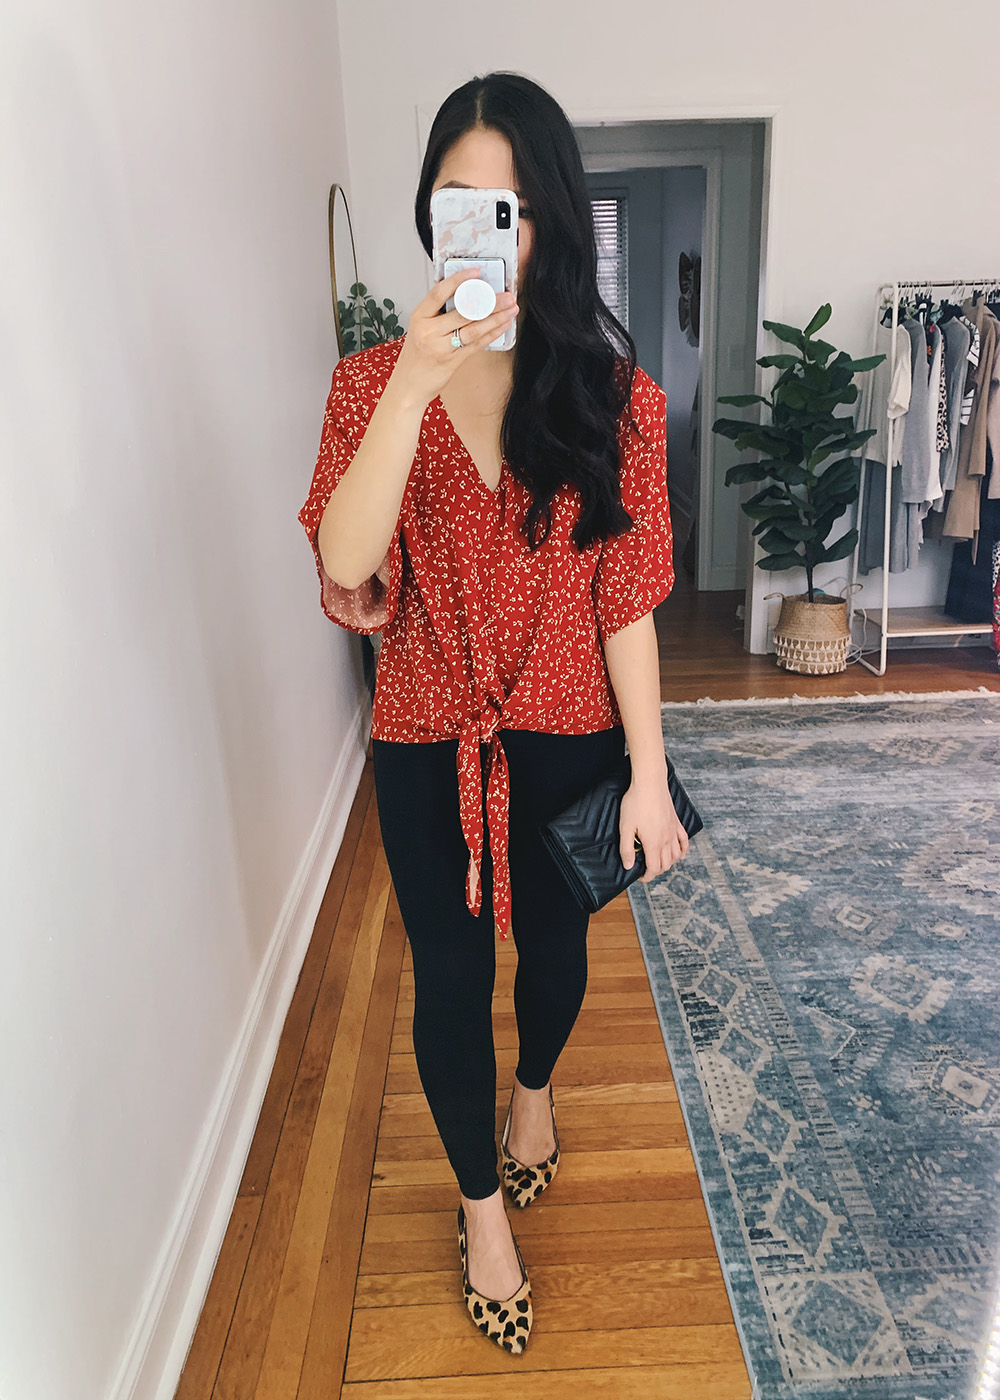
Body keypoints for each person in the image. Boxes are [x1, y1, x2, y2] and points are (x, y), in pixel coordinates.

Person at [297, 71, 689, 1354]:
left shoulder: (615, 397)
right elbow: (347, 565)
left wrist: (648, 773)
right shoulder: (369, 384)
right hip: (425, 738)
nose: (481, 228)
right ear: (430, 214)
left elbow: (626, 601)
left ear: (547, 221)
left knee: (557, 956)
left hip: (571, 732)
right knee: (452, 977)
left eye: (506, 207)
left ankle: (535, 1092)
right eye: (457, 201)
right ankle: (481, 1213)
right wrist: (413, 386)